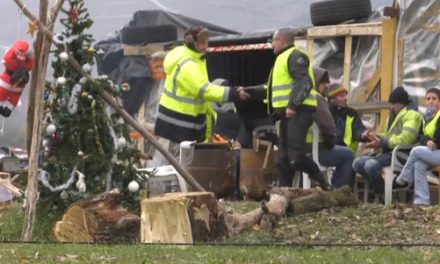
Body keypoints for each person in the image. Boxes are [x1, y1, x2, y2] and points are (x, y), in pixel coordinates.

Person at [154, 26, 250, 145]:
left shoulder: (189, 57)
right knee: (182, 161)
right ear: (191, 43)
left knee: (180, 160)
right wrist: (233, 93)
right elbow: (203, 90)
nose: (206, 46)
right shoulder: (188, 65)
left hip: (178, 123)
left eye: (206, 42)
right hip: (181, 125)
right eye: (201, 43)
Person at [267, 28, 331, 190]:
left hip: (298, 111)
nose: (272, 44)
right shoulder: (281, 59)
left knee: (295, 157)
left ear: (281, 40)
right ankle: (283, 193)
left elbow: (305, 82)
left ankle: (321, 181)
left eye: (273, 41)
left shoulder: (295, 56)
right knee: (282, 160)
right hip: (285, 115)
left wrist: (293, 105)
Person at [352, 86, 423, 200]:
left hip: (401, 154)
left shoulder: (412, 115)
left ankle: (382, 195)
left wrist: (382, 142)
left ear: (400, 104)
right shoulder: (393, 116)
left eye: (392, 104)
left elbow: (406, 139)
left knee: (371, 165)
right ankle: (382, 191)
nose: (391, 107)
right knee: (357, 163)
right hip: (388, 152)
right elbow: (387, 136)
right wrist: (375, 137)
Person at [307, 69, 357, 188]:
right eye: (324, 82)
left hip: (298, 152)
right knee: (348, 155)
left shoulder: (300, 97)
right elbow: (327, 126)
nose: (327, 86)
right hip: (316, 152)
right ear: (316, 82)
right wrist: (330, 143)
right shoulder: (317, 99)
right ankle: (338, 191)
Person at [395, 88, 440, 205]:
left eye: (434, 98)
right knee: (418, 164)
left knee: (415, 151)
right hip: (432, 152)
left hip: (438, 151)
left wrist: (434, 142)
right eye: (428, 99)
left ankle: (404, 177)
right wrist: (427, 142)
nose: (431, 101)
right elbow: (420, 137)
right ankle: (422, 201)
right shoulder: (427, 117)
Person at [327, 83, 370, 152]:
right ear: (332, 98)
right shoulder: (325, 112)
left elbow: (357, 127)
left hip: (347, 151)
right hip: (328, 150)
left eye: (346, 95)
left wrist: (363, 134)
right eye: (341, 96)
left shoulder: (351, 113)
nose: (345, 98)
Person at [0, 40, 34, 117]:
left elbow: (7, 59)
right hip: (13, 81)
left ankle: (7, 109)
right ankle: (7, 109)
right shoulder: (12, 55)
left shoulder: (28, 59)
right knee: (6, 94)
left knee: (10, 94)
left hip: (14, 81)